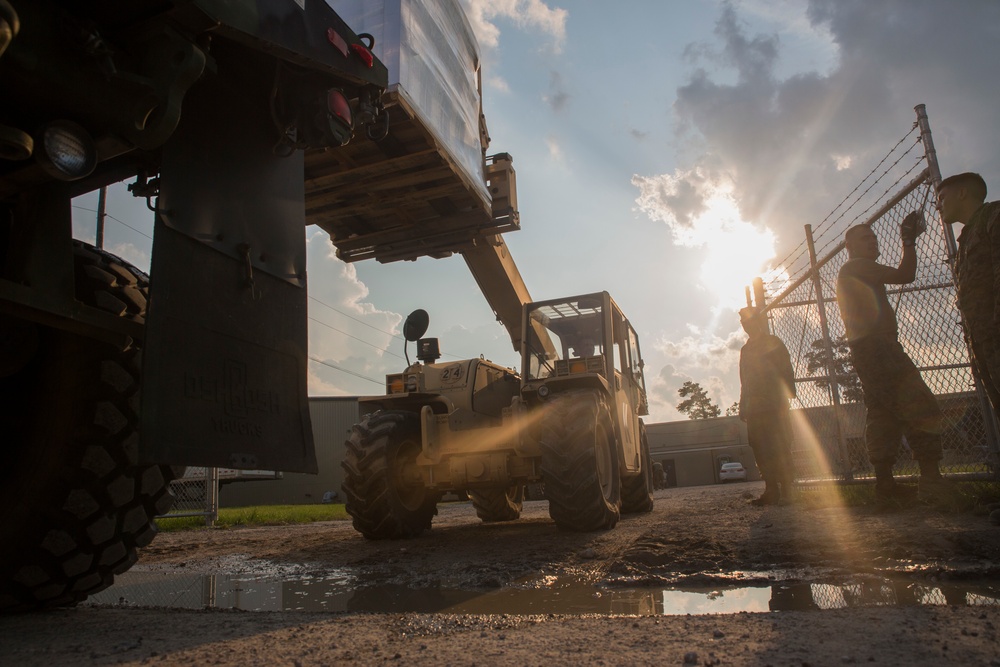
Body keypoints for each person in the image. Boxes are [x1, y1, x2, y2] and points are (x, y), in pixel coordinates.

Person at [836, 219, 950, 505]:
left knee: (882, 413)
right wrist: (908, 242)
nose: (872, 241)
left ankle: (886, 487)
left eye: (874, 237)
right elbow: (905, 274)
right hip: (878, 347)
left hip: (867, 350)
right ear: (849, 247)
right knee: (919, 403)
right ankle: (931, 480)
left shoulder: (856, 270)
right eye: (864, 238)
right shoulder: (855, 266)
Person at [937, 172, 1000, 525]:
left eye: (942, 197)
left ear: (963, 193)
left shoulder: (994, 217)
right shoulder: (966, 237)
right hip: (983, 342)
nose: (938, 205)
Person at [738, 306, 796, 505]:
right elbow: (744, 379)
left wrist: (788, 393)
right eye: (743, 323)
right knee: (760, 448)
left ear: (758, 321)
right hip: (754, 408)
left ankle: (787, 491)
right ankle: (771, 490)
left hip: (773, 404)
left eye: (749, 321)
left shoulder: (772, 342)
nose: (747, 326)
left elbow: (785, 368)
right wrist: (742, 403)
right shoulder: (745, 349)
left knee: (779, 446)